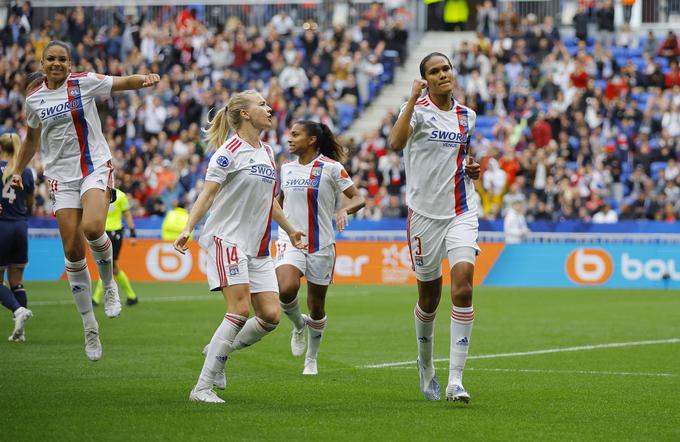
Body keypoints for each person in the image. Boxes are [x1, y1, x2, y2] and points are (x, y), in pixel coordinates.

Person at [9, 40, 160, 361]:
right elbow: (31, 140)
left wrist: (144, 79)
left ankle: (109, 287)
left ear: (69, 62)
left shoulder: (84, 82)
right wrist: (17, 170)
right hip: (60, 177)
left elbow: (120, 83)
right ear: (43, 61)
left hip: (94, 166)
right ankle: (90, 328)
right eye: (51, 59)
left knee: (93, 228)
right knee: (73, 252)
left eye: (63, 59)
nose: (57, 64)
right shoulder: (33, 100)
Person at [173, 90, 305, 404]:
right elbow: (207, 194)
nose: (269, 107)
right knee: (239, 310)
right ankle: (202, 387)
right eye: (261, 104)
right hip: (226, 238)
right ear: (244, 114)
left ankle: (219, 351)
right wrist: (188, 228)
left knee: (271, 316)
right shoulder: (227, 152)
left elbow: (269, 200)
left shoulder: (268, 152)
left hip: (257, 247)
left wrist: (291, 229)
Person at [388, 52, 482, 403]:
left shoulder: (467, 116)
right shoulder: (416, 111)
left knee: (463, 289)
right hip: (424, 215)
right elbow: (396, 143)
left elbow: (461, 157)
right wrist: (412, 99)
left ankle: (457, 380)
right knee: (429, 299)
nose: (443, 74)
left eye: (446, 68)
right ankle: (426, 365)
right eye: (434, 71)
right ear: (425, 78)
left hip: (461, 210)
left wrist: (471, 169)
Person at [276, 121, 365, 375]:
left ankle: (311, 358)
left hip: (321, 245)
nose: (289, 138)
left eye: (295, 134)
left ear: (312, 139)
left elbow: (358, 198)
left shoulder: (332, 168)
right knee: (286, 288)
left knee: (316, 306)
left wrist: (344, 210)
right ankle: (297, 325)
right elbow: (277, 203)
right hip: (290, 240)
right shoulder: (286, 169)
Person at [0, 133, 34, 342]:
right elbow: (31, 202)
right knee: (17, 282)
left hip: (2, 226)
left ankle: (17, 310)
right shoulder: (26, 171)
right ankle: (21, 331)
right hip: (20, 226)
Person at [92, 187, 139, 307]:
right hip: (105, 233)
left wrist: (133, 233)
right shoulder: (100, 194)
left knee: (108, 265)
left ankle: (96, 299)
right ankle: (132, 296)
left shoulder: (120, 196)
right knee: (113, 267)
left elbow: (128, 215)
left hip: (114, 234)